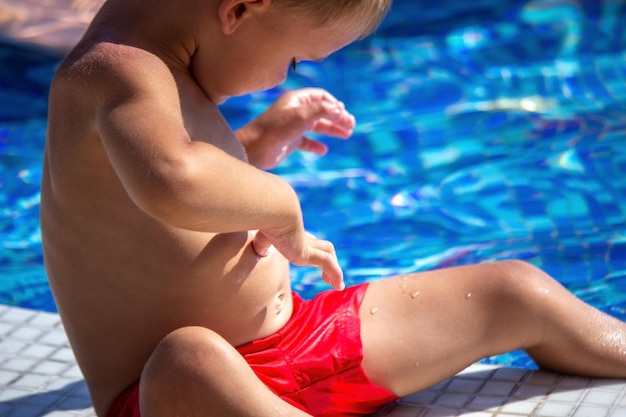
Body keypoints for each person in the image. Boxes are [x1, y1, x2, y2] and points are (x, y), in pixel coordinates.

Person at [40, 0, 626, 416]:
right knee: (187, 358)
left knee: (515, 289)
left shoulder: (167, 68)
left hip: (299, 337)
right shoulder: (114, 72)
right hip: (175, 398)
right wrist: (282, 204)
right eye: (294, 58)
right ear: (240, 9)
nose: (283, 77)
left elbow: (171, 189)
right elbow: (172, 181)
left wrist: (255, 145)